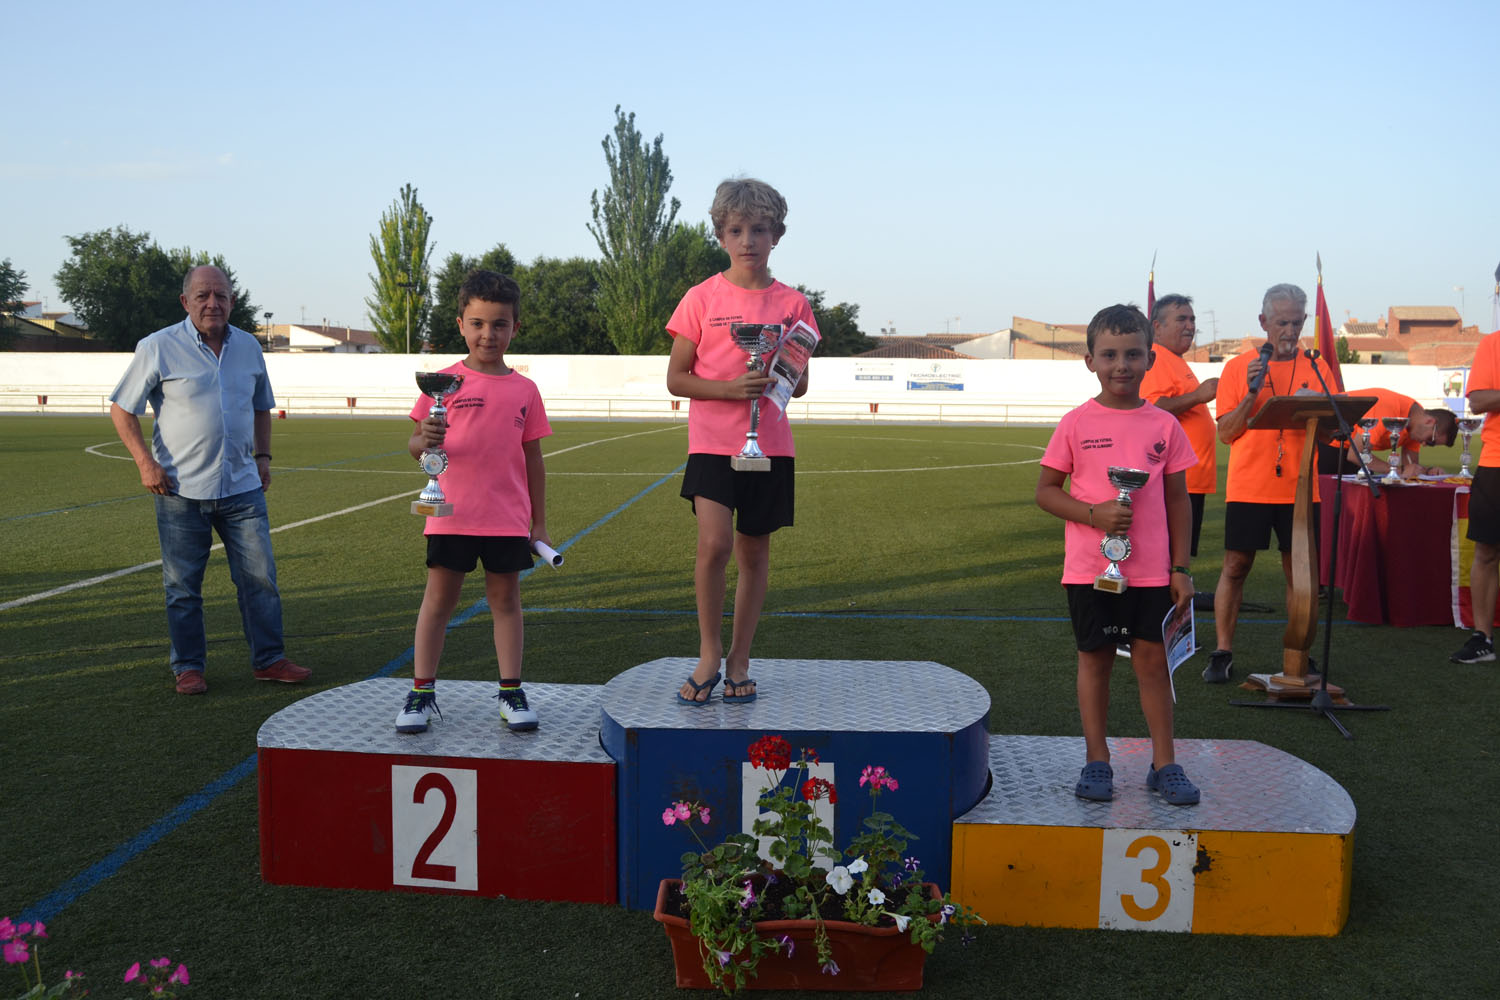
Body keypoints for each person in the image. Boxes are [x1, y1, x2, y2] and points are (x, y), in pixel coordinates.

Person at [109, 265, 310, 695]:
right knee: (183, 587)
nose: (212, 303)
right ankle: (188, 667)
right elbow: (122, 408)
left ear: (232, 301)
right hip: (179, 490)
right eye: (202, 295)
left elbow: (262, 406)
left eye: (220, 295)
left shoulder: (249, 347)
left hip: (242, 487)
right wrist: (145, 463)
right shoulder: (158, 346)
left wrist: (263, 457)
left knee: (260, 580)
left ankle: (269, 659)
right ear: (186, 302)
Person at [1035, 303, 1200, 806]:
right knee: (1095, 660)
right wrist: (1094, 515)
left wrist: (1181, 567)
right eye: (1109, 355)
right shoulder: (1075, 423)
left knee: (1152, 663)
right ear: (1090, 361)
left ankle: (1164, 763)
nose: (1121, 365)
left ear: (1150, 358)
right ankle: (1097, 759)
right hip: (1090, 570)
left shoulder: (1165, 426)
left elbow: (1179, 501)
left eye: (1132, 354)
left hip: (1152, 573)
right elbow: (1046, 492)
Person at [666, 178, 815, 705]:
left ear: (777, 235)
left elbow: (800, 383)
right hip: (712, 444)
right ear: (720, 236)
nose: (747, 240)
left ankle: (739, 658)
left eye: (759, 229)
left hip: (769, 447)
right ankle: (709, 652)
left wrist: (780, 373)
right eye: (736, 230)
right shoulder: (700, 298)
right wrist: (730, 389)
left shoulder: (794, 305)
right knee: (715, 545)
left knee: (754, 553)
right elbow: (677, 379)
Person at [396, 270, 552, 733]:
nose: (489, 334)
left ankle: (511, 691)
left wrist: (539, 523)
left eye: (499, 324)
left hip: (506, 519)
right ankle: (421, 692)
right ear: (461, 324)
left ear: (515, 328)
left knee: (505, 601)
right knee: (438, 601)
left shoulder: (525, 390)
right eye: (478, 323)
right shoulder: (441, 382)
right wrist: (424, 439)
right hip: (451, 515)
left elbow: (534, 459)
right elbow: (415, 446)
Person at [1206, 283, 1337, 683]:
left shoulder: (1318, 367)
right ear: (1263, 321)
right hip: (1249, 486)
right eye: (1282, 322)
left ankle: (1299, 653)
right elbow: (1226, 433)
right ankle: (1223, 651)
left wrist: (1316, 412)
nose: (1290, 331)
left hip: (1301, 488)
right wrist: (1251, 393)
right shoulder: (1237, 368)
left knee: (1300, 574)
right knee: (1235, 566)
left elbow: (1334, 432)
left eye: (1297, 322)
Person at [1141, 294, 1219, 557]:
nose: (1190, 326)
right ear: (1157, 327)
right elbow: (1152, 407)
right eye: (1182, 319)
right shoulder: (1157, 357)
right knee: (1170, 558)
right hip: (1176, 482)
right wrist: (1198, 396)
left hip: (1189, 479)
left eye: (1192, 319)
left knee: (1178, 557)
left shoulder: (1174, 359)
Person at [1452, 328, 1500, 663]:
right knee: (1486, 551)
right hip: (1496, 462)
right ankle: (1482, 638)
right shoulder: (1492, 343)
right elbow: (1478, 400)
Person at [1324, 387, 1456, 477]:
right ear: (1430, 422)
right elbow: (1356, 454)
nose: (1425, 444)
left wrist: (1428, 471)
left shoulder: (1416, 425)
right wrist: (1397, 470)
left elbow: (1410, 468)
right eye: (1431, 440)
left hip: (1348, 447)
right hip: (1328, 441)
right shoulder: (1389, 409)